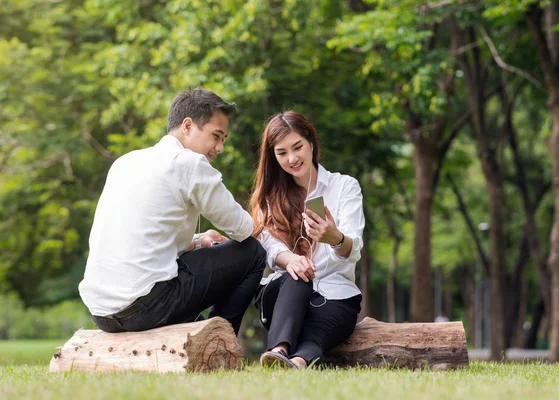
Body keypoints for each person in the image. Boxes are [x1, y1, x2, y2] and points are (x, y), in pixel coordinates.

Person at [79, 87, 266, 335]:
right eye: (216, 136)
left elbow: (146, 240)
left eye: (223, 139)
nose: (220, 147)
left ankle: (199, 332)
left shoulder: (125, 162)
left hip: (101, 312)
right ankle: (221, 340)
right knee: (253, 253)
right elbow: (244, 229)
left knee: (187, 288)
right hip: (145, 305)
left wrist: (199, 240)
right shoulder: (189, 163)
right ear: (187, 126)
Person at [249, 110, 364, 369]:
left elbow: (353, 247)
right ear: (273, 157)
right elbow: (267, 244)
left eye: (297, 147)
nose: (292, 158)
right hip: (283, 298)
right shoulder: (269, 198)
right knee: (297, 274)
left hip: (334, 295)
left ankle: (297, 362)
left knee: (326, 324)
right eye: (282, 153)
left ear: (311, 142)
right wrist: (292, 259)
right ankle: (278, 348)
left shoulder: (344, 187)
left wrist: (334, 237)